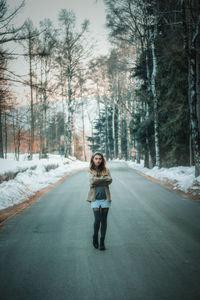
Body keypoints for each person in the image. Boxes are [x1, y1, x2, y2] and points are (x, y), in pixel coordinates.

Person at [86, 151, 113, 250]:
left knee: (104, 220)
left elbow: (110, 180)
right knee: (97, 219)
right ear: (93, 159)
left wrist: (98, 179)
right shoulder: (90, 170)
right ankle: (95, 237)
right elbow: (92, 181)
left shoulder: (106, 170)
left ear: (102, 160)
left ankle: (102, 241)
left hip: (105, 198)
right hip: (95, 199)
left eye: (100, 159)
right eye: (96, 158)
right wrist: (103, 179)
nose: (98, 160)